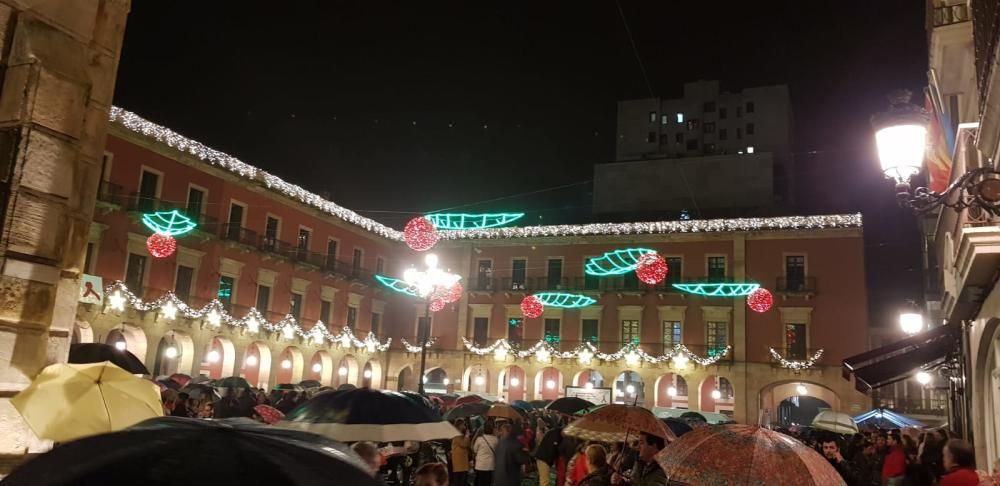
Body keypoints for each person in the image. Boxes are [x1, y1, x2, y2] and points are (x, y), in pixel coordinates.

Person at [494, 422, 530, 486]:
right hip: (510, 479)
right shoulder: (515, 444)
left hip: (498, 478)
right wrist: (526, 452)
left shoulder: (498, 444)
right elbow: (521, 459)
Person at [472, 421, 498, 486]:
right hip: (490, 465)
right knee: (488, 482)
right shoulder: (495, 439)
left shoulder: (479, 439)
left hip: (480, 465)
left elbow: (475, 450)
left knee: (481, 482)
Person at [451, 420, 471, 486]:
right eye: (463, 425)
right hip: (459, 462)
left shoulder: (459, 434)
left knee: (460, 479)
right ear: (460, 426)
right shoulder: (457, 434)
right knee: (459, 480)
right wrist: (467, 436)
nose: (464, 426)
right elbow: (464, 444)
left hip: (460, 462)